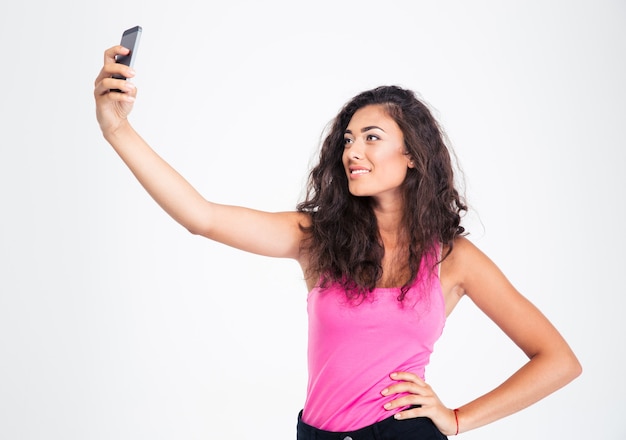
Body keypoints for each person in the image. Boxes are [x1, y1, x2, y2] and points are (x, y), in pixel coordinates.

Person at [94, 44, 582, 439]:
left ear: (412, 155)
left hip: (400, 435)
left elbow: (558, 360)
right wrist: (118, 129)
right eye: (348, 139)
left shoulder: (455, 260)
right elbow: (201, 217)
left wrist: (457, 419)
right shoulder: (317, 238)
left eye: (371, 138)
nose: (353, 151)